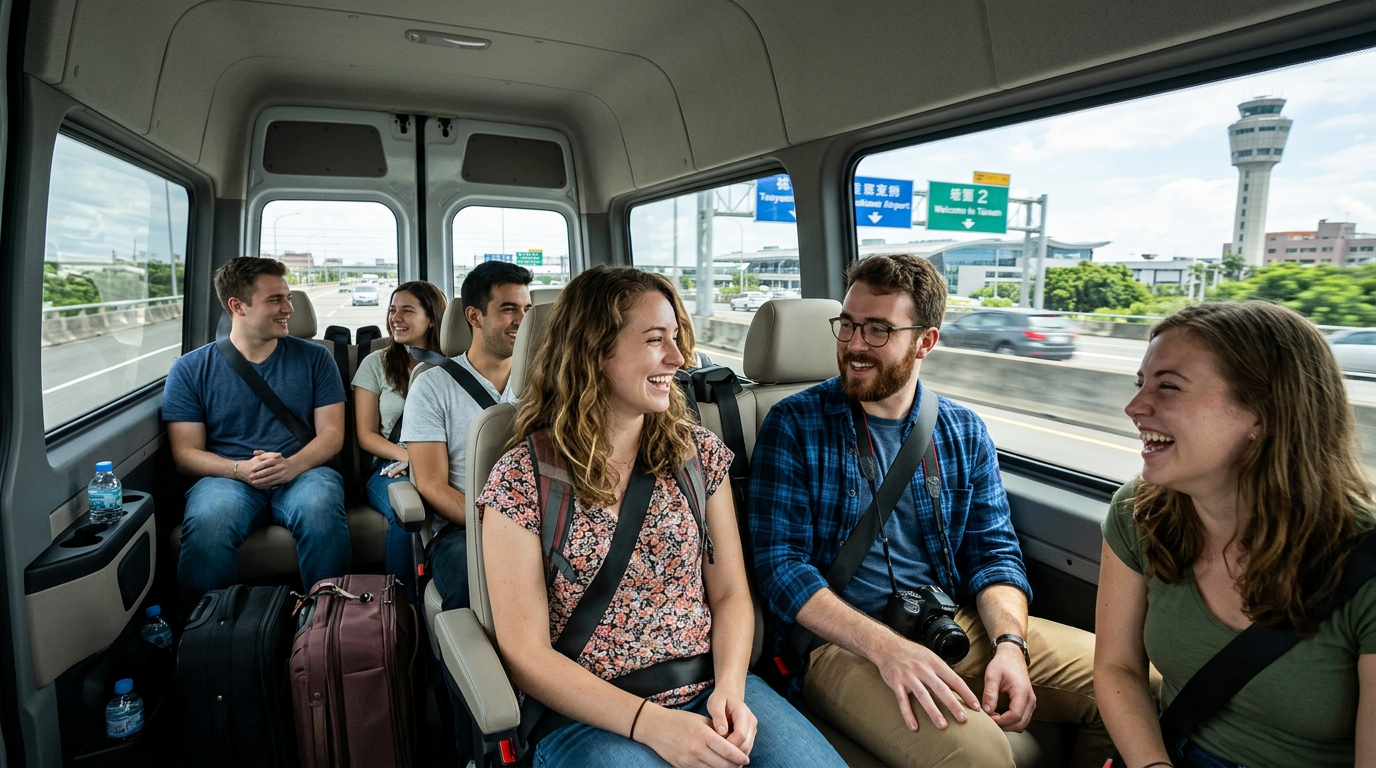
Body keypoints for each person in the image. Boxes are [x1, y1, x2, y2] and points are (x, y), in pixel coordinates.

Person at [748, 253, 1106, 768]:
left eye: (877, 331)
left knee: (1131, 682)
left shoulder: (963, 431)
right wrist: (886, 648)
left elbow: (994, 552)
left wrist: (1010, 644)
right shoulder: (796, 425)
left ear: (926, 342)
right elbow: (780, 568)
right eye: (846, 325)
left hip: (947, 622)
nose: (853, 345)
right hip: (841, 643)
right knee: (978, 755)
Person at [478, 266, 845, 767]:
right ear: (595, 350)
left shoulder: (697, 456)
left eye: (676, 339)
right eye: (656, 340)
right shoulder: (523, 477)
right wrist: (651, 724)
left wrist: (732, 690)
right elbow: (526, 654)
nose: (679, 359)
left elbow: (731, 593)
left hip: (711, 686)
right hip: (591, 713)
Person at [1096, 301, 1376, 767]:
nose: (1135, 407)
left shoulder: (1364, 566)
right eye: (1141, 384)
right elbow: (1117, 667)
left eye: (1168, 386)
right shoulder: (1139, 514)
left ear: (1262, 414)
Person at [165, 257, 350, 606]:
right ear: (238, 306)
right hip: (229, 477)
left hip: (302, 472)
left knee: (320, 507)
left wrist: (292, 465)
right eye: (275, 300)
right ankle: (208, 634)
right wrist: (238, 469)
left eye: (289, 298)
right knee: (210, 522)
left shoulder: (316, 359)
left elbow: (332, 434)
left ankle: (330, 624)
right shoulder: (190, 369)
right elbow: (185, 453)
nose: (288, 309)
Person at [352, 280, 446, 598]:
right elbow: (365, 435)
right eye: (392, 310)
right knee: (404, 510)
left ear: (432, 317)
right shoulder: (375, 364)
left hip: (442, 462)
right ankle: (400, 604)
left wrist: (424, 462)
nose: (396, 318)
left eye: (407, 310)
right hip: (391, 465)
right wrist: (408, 457)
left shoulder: (454, 366)